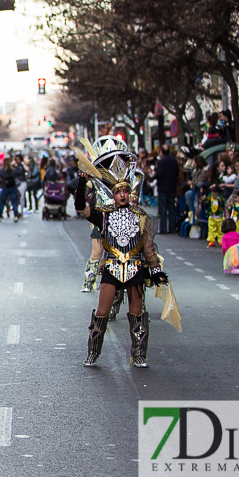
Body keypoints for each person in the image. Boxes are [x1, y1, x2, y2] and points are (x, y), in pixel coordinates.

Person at [74, 154, 169, 368]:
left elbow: (148, 246)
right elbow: (81, 208)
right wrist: (81, 185)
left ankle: (139, 355)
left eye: (126, 191)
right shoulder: (103, 215)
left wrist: (155, 269)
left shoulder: (141, 216)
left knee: (137, 314)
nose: (123, 195)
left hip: (135, 267)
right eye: (118, 192)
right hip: (112, 267)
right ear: (113, 195)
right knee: (102, 313)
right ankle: (93, 352)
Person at [155, 145, 179, 233]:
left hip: (163, 188)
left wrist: (154, 176)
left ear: (161, 152)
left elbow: (159, 174)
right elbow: (176, 172)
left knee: (163, 209)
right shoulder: (174, 161)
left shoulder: (161, 162)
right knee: (171, 208)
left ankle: (163, 228)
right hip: (172, 187)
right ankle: (172, 228)